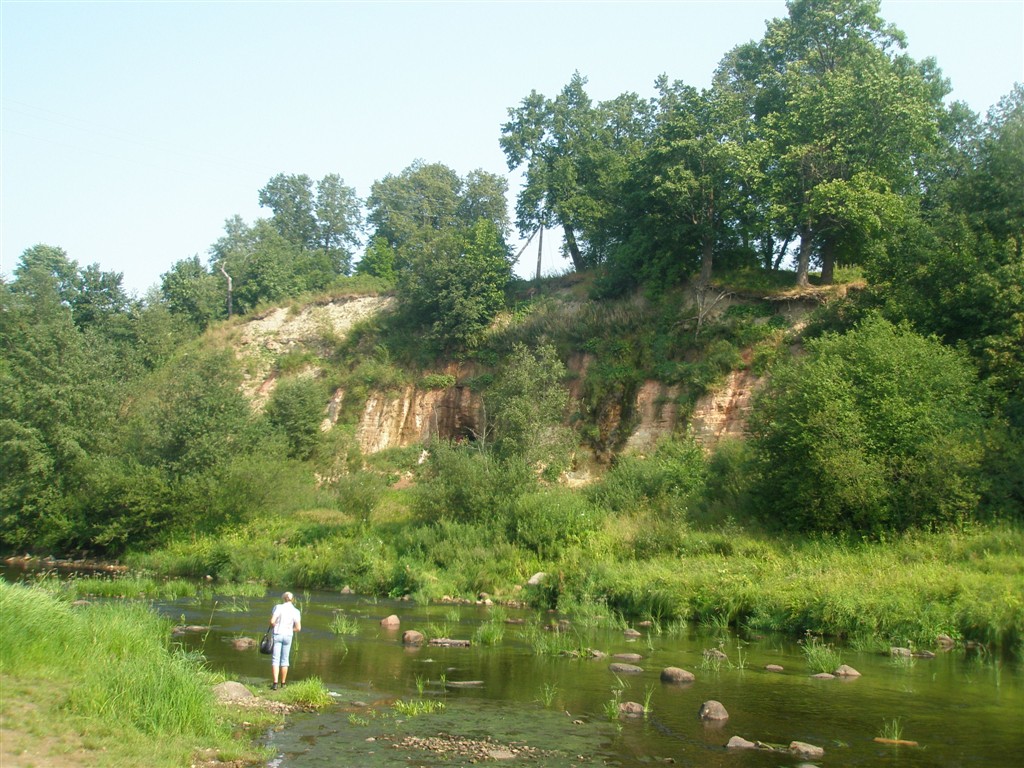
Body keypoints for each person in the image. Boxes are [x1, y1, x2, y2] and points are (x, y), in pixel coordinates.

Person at [270, 591, 301, 689]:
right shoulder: (296, 611)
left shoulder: (278, 607)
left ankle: (275, 683)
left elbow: (272, 621)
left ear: (283, 598)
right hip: (288, 635)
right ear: (293, 599)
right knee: (285, 659)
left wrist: (275, 625)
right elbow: (298, 628)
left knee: (275, 659)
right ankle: (283, 683)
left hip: (278, 634)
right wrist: (290, 629)